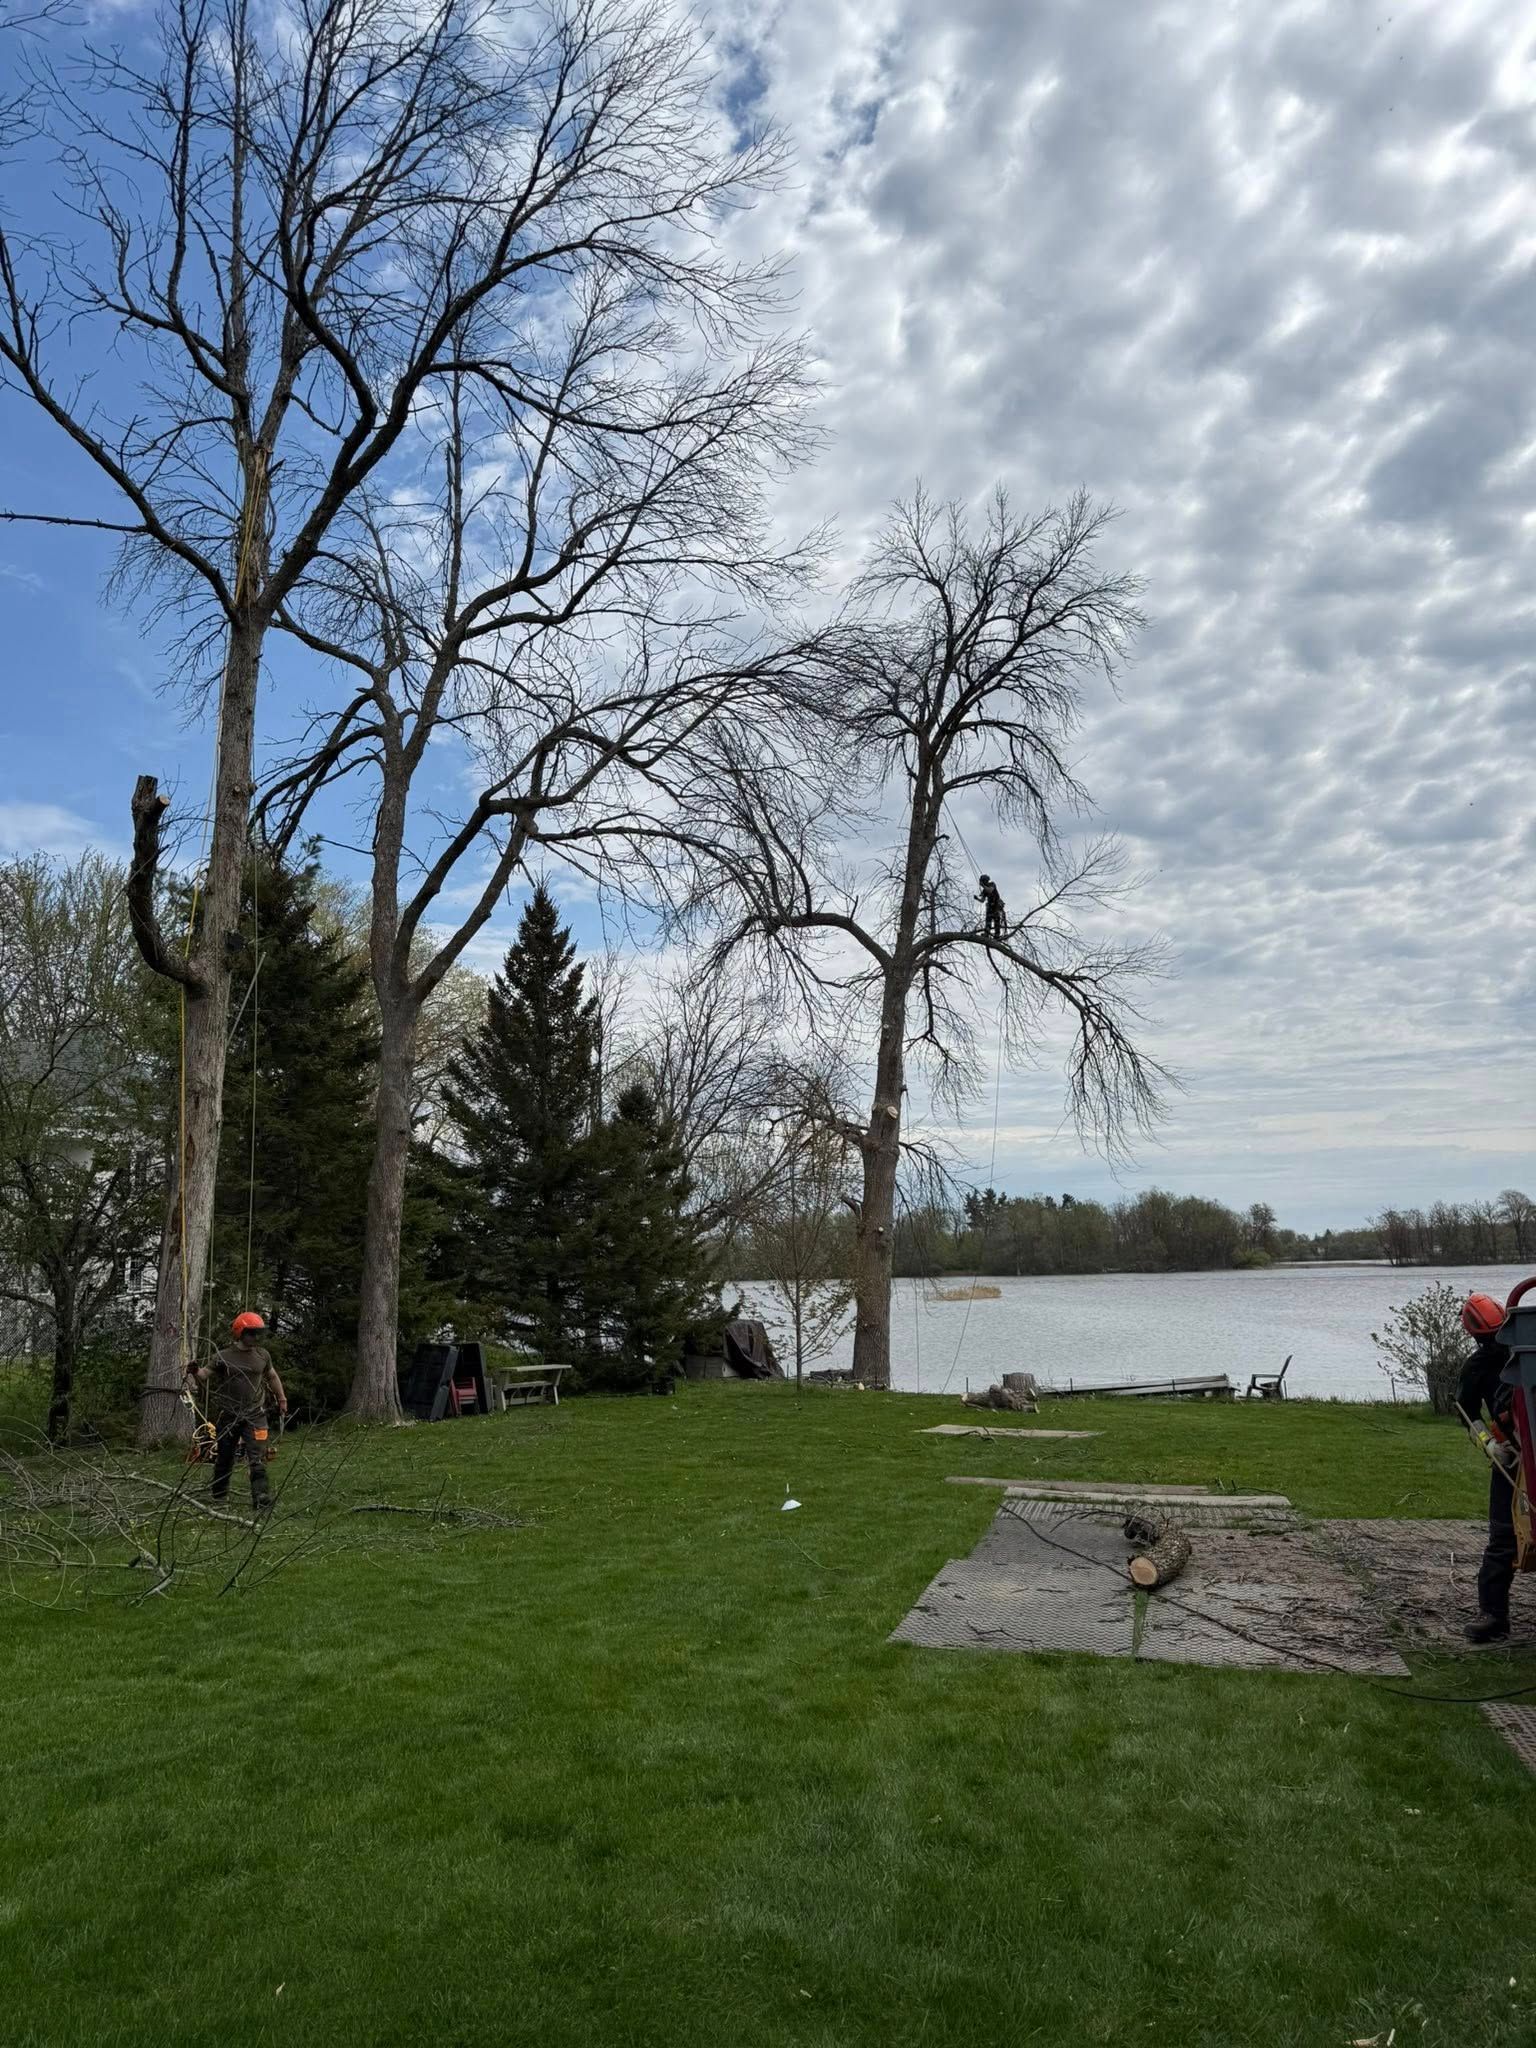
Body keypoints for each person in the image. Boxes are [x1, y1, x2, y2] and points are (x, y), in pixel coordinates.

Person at [1457, 1292, 1517, 1644]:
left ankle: (1493, 1615)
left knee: (1503, 1536)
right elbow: (1467, 1415)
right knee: (1503, 1534)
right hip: (1508, 1453)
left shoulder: (1525, 1352)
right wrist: (1490, 1446)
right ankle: (1493, 1614)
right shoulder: (1476, 1369)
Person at [184, 1311, 287, 1511]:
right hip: (229, 1415)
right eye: (252, 1333)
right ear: (241, 1333)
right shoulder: (222, 1356)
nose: (256, 1338)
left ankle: (262, 1499)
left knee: (257, 1458)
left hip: (256, 1415)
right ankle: (219, 1498)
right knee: (225, 1457)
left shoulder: (262, 1355)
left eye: (259, 1333)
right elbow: (204, 1376)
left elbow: (272, 1376)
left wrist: (281, 1398)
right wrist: (195, 1371)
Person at [976, 874, 1006, 940]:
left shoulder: (992, 884)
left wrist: (983, 886)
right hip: (990, 906)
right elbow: (982, 900)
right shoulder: (984, 890)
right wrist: (977, 899)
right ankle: (986, 933)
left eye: (983, 881)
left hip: (996, 905)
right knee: (988, 921)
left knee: (996, 921)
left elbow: (990, 890)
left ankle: (997, 935)